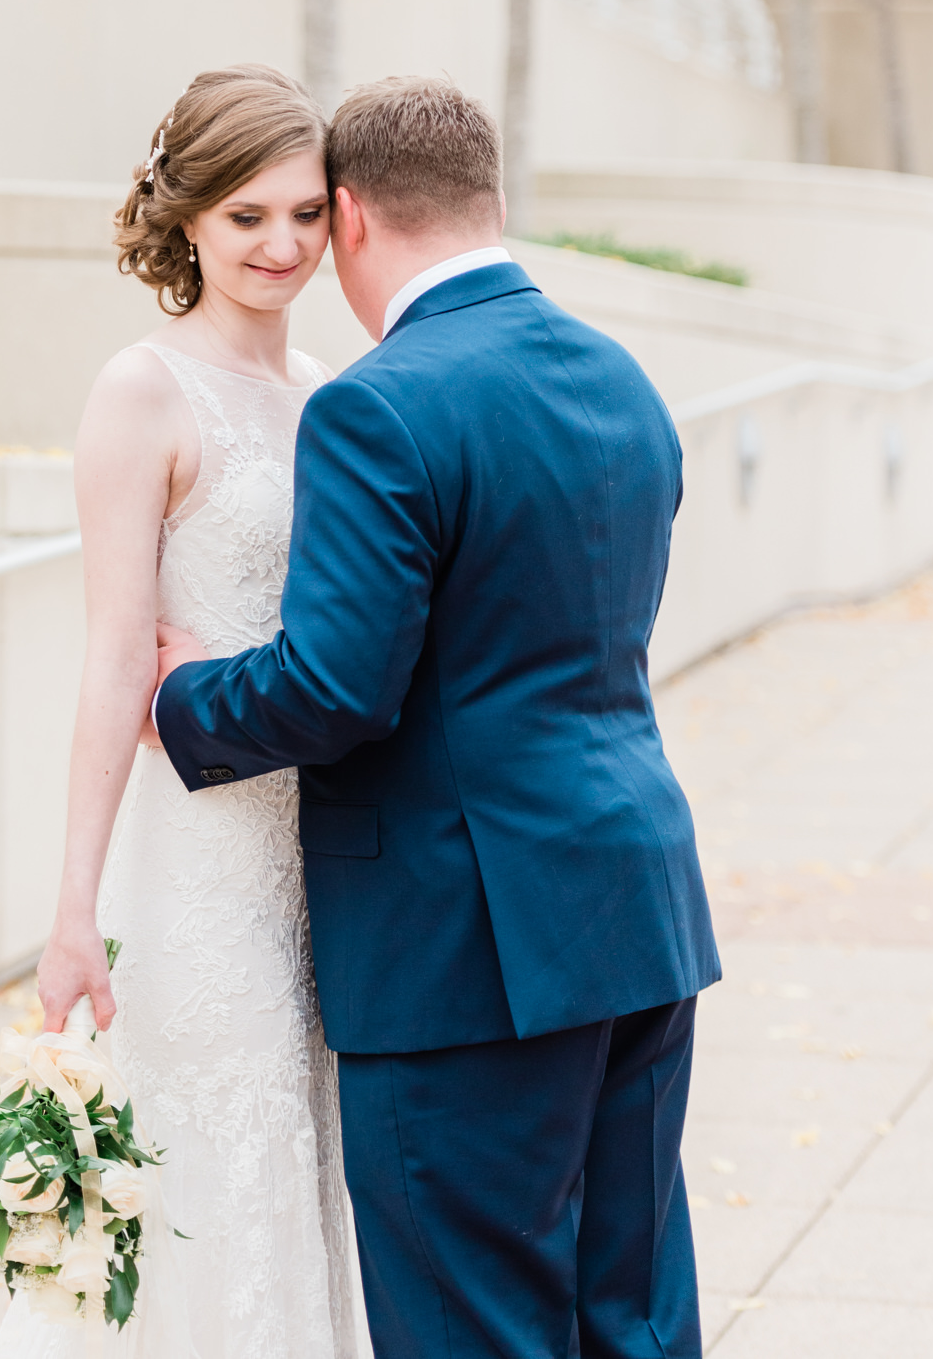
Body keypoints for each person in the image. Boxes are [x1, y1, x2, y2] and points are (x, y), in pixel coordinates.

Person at [153, 76, 721, 1359]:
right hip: (634, 912)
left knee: (472, 1327)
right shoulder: (620, 377)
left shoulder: (379, 403)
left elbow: (335, 689)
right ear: (491, 199)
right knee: (630, 1316)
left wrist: (181, 696)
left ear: (349, 217)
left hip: (462, 954)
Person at [0, 64, 364, 1359]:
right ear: (187, 219)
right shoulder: (140, 391)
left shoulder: (329, 390)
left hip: (322, 851)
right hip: (200, 866)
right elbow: (110, 661)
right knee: (216, 1161)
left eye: (306, 216)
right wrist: (72, 916)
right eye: (246, 217)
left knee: (302, 1161)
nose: (282, 246)